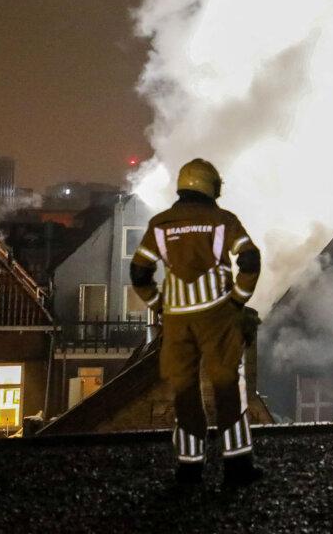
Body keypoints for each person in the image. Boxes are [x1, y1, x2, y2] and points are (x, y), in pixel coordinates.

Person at [129, 158, 263, 487]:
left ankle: (189, 471)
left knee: (184, 392)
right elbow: (249, 258)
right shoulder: (222, 220)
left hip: (176, 321)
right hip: (216, 315)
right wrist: (237, 300)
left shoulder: (160, 225)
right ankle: (237, 468)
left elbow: (139, 272)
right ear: (211, 187)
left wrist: (159, 305)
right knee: (228, 388)